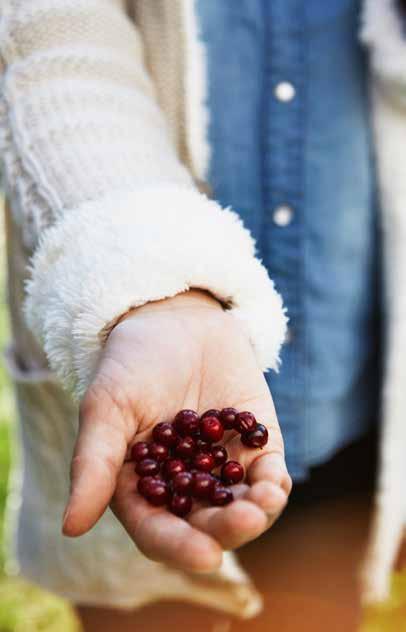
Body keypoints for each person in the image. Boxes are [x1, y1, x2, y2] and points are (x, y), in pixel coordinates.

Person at [1, 0, 406, 629]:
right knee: (146, 610)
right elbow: (54, 46)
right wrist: (154, 286)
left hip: (347, 379)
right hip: (137, 374)